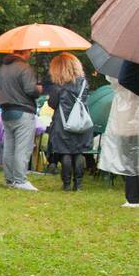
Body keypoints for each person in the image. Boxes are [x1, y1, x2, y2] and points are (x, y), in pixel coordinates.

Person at [0, 50, 43, 191]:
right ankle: (20, 180)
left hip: (6, 111)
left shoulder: (2, 69)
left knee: (9, 148)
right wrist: (39, 89)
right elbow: (30, 90)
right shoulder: (24, 68)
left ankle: (10, 180)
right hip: (23, 111)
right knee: (23, 148)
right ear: (25, 52)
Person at [46, 53, 93, 191]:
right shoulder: (84, 83)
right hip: (81, 121)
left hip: (63, 123)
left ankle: (66, 184)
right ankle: (78, 184)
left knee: (65, 152)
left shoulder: (58, 86)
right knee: (78, 152)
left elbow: (53, 103)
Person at [102, 61, 139, 208]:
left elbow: (120, 81)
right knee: (135, 157)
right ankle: (138, 198)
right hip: (131, 114)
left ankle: (132, 198)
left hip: (127, 114)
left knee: (129, 158)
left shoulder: (123, 64)